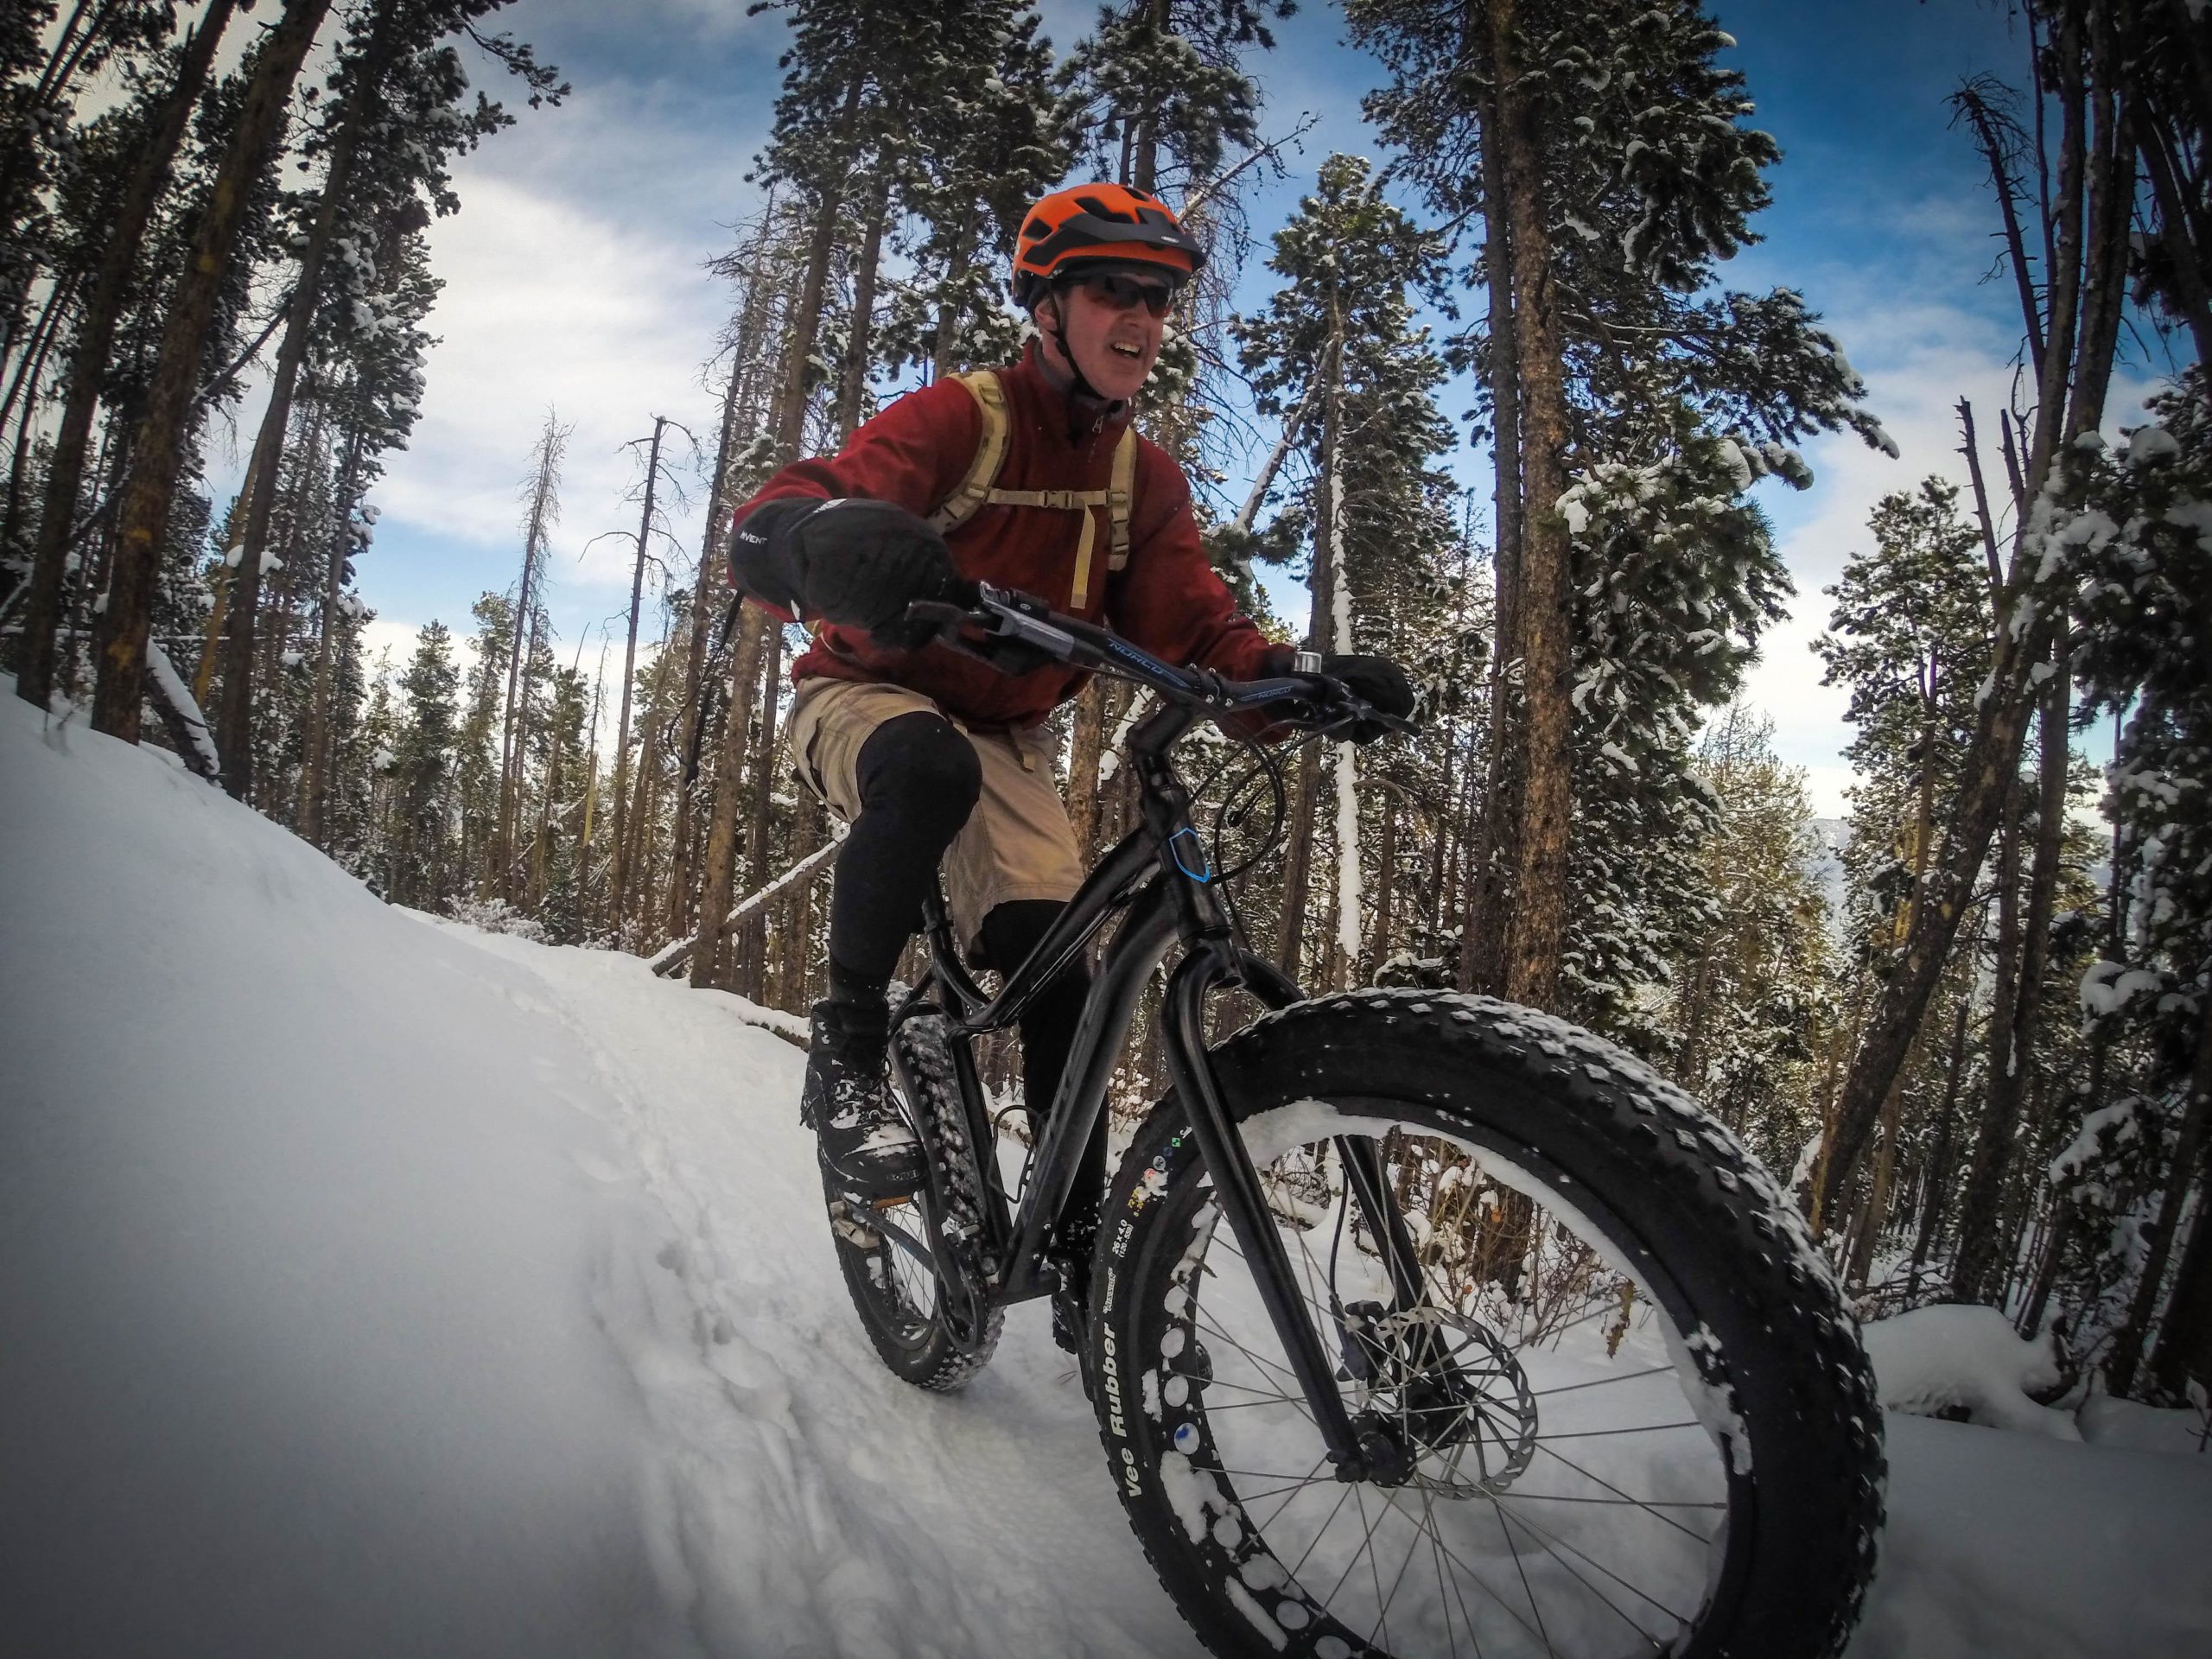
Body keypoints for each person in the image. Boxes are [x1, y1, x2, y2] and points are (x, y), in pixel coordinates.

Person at [728, 183, 1413, 1338]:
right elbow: (817, 493)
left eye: (1158, 297)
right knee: (926, 771)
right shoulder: (964, 419)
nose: (1141, 317)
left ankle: (1078, 1242)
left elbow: (1193, 623)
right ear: (1048, 306)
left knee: (1060, 978)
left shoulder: (1144, 478)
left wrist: (1292, 680)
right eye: (1112, 291)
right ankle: (845, 1061)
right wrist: (815, 542)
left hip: (1002, 735)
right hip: (864, 693)